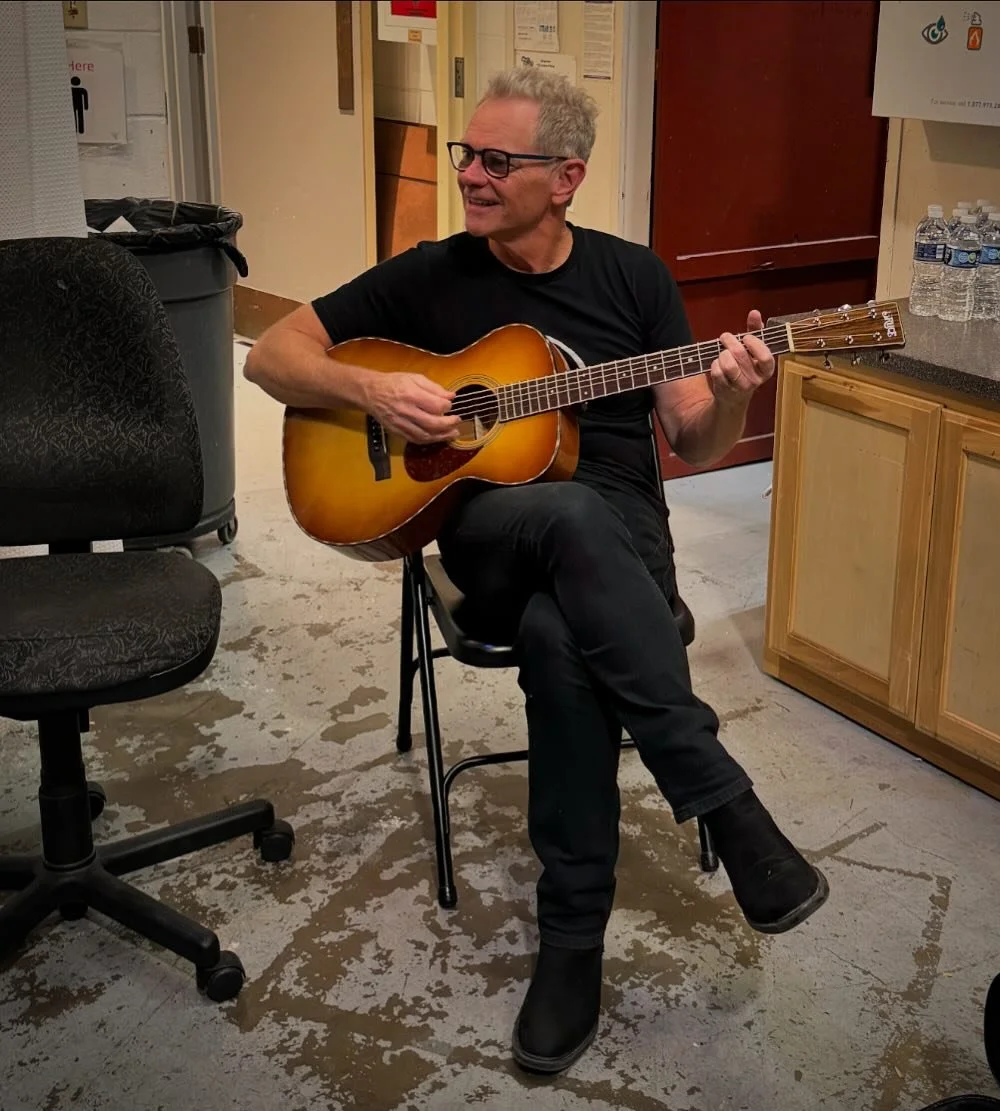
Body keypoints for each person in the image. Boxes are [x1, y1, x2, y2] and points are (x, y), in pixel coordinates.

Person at [245, 67, 829, 1075]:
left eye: (493, 161)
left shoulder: (633, 275)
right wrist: (373, 391)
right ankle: (723, 798)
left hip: (622, 534)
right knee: (554, 508)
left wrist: (733, 392)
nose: (466, 173)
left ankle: (570, 946)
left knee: (563, 641)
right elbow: (272, 355)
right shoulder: (432, 272)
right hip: (492, 531)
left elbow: (692, 433)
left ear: (564, 177)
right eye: (466, 154)